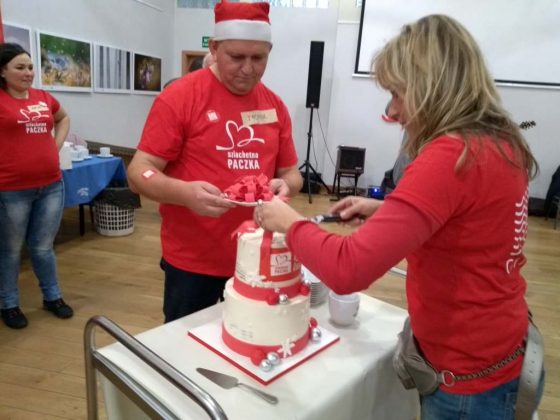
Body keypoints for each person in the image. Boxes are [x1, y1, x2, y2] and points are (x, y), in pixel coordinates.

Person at [254, 15, 544, 420]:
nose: (392, 111)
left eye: (396, 93)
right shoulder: (500, 142)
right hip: (506, 346)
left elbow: (348, 269)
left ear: (430, 86)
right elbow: (467, 221)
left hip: (468, 380)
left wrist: (288, 221)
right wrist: (388, 209)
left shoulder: (449, 157)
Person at [127, 1, 303, 323]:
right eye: (236, 57)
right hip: (193, 260)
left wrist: (286, 185)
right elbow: (139, 172)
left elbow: (292, 173)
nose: (248, 69)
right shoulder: (180, 97)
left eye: (258, 58)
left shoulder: (274, 106)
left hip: (256, 253)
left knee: (249, 336)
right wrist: (185, 194)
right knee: (186, 341)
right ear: (215, 47)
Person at [0, 43, 73, 329]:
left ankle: (52, 297)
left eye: (30, 67)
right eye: (20, 67)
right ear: (2, 72)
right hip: (11, 190)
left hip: (51, 186)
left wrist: (55, 146)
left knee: (43, 247)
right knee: (10, 250)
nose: (28, 72)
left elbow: (63, 118)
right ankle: (8, 303)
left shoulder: (43, 97)